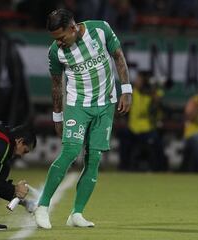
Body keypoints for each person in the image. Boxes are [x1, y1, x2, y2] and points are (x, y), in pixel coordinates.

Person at [34, 9, 132, 229]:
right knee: (70, 152)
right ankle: (42, 207)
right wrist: (57, 116)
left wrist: (126, 90)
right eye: (55, 39)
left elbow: (118, 56)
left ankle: (76, 214)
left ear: (73, 27)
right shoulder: (55, 52)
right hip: (78, 106)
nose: (58, 43)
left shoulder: (101, 29)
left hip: (105, 104)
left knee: (94, 159)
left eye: (61, 37)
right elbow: (57, 84)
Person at [117, 71, 167, 172]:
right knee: (124, 137)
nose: (136, 81)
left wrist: (153, 91)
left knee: (157, 142)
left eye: (139, 80)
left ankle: (160, 168)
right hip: (132, 128)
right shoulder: (132, 93)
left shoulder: (153, 94)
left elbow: (159, 99)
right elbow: (121, 107)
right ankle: (124, 167)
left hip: (148, 128)